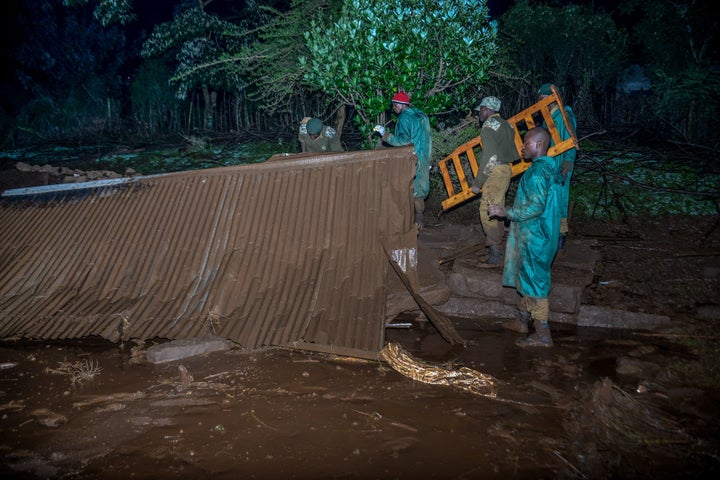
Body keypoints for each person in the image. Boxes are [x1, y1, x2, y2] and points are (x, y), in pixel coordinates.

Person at [488, 127, 563, 348]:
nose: (522, 147)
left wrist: (506, 212)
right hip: (543, 233)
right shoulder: (550, 169)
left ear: (538, 145)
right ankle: (521, 321)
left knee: (536, 283)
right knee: (528, 277)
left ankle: (543, 334)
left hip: (535, 236)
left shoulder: (538, 173)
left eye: (526, 143)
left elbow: (535, 207)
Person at [470, 96, 520, 265]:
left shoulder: (489, 126)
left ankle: (495, 251)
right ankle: (497, 248)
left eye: (481, 110)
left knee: (487, 210)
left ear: (488, 110)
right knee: (497, 209)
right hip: (506, 170)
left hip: (496, 171)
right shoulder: (507, 125)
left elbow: (490, 158)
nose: (479, 114)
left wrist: (478, 182)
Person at [373, 92, 432, 230]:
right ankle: (419, 219)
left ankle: (406, 224)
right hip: (423, 157)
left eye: (394, 105)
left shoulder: (405, 118)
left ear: (401, 105)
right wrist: (429, 159)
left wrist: (385, 134)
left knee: (405, 189)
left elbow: (403, 141)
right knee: (420, 190)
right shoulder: (421, 116)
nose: (393, 108)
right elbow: (428, 139)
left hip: (411, 159)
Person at [537, 83, 577, 249]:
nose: (539, 101)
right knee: (547, 201)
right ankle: (548, 233)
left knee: (560, 202)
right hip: (550, 166)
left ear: (551, 98)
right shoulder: (549, 117)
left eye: (542, 97)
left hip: (561, 168)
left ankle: (561, 236)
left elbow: (572, 145)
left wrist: (566, 168)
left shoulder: (565, 116)